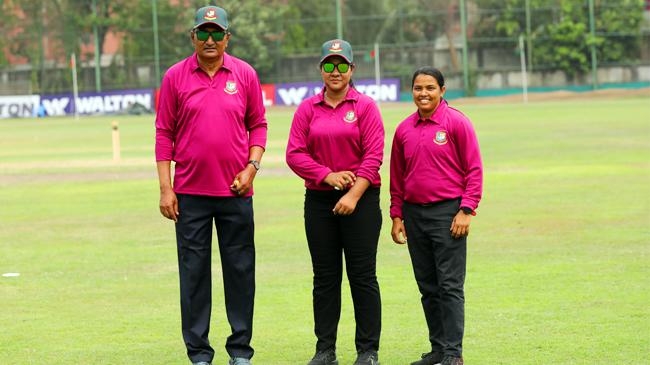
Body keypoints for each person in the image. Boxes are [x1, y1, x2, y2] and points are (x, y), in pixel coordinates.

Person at [155, 5, 267, 365]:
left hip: (236, 192)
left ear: (227, 38)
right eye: (203, 33)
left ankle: (240, 351)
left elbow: (259, 126)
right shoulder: (175, 76)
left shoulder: (245, 74)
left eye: (216, 33)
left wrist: (252, 168)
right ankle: (199, 353)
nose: (209, 40)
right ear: (192, 37)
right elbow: (163, 134)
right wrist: (165, 187)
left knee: (240, 273)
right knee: (193, 275)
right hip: (190, 195)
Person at [286, 39, 385, 365]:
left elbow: (373, 155)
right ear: (321, 69)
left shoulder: (365, 107)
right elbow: (294, 154)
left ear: (352, 69)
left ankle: (368, 351)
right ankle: (325, 350)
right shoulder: (307, 108)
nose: (335, 71)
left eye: (342, 65)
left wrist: (353, 194)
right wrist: (327, 175)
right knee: (325, 278)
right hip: (319, 201)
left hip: (362, 200)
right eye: (329, 65)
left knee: (362, 276)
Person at [389, 67, 483, 365]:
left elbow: (474, 170)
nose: (424, 93)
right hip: (414, 216)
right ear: (412, 91)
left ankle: (454, 355)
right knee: (428, 287)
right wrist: (396, 215)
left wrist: (466, 209)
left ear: (442, 90)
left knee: (449, 286)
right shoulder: (404, 129)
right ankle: (438, 349)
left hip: (448, 214)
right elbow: (397, 177)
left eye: (430, 87)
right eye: (418, 88)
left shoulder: (456, 122)